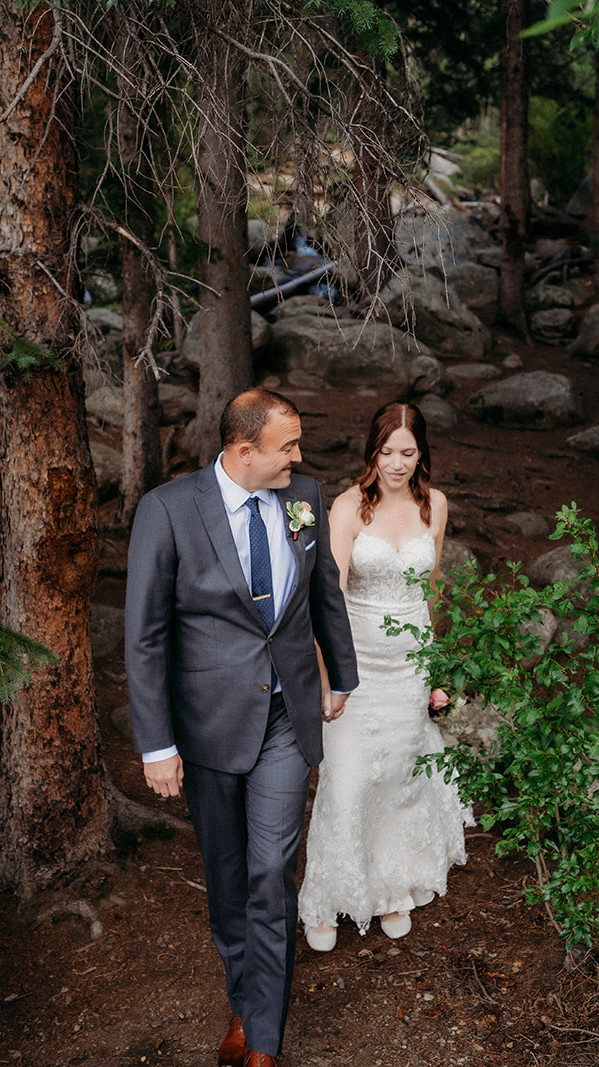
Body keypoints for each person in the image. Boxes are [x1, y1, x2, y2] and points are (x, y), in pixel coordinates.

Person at [125, 388, 359, 1067]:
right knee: (227, 878)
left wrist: (341, 676)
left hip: (286, 715)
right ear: (244, 449)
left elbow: (324, 591)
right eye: (288, 446)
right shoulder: (168, 509)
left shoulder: (303, 495)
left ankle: (262, 1041)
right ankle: (245, 999)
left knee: (271, 872)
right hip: (207, 727)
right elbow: (144, 635)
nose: (299, 457)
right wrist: (157, 744)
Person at [299, 401, 470, 952]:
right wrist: (328, 677)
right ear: (372, 452)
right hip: (358, 665)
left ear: (422, 454)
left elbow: (431, 589)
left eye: (408, 452)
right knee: (349, 779)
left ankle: (393, 886)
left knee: (400, 777)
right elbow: (327, 597)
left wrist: (435, 671)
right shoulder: (349, 507)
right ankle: (329, 896)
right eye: (387, 452)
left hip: (409, 668)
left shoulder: (434, 504)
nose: (397, 464)